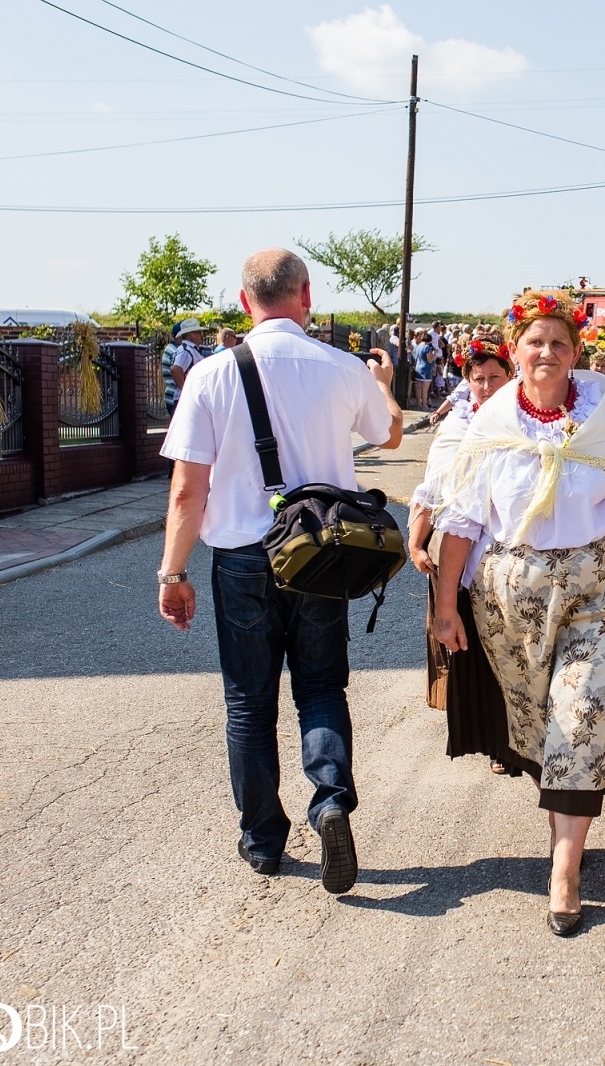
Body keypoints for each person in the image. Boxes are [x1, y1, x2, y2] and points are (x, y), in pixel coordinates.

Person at [155, 249, 405, 893]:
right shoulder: (343, 368)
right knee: (320, 687)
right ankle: (330, 801)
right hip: (320, 553)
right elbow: (392, 437)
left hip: (241, 554)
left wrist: (172, 572)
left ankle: (263, 839)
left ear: (245, 303)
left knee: (248, 702)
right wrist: (382, 384)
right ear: (306, 295)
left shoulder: (210, 375)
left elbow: (188, 488)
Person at [431, 290, 605, 936]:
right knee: (543, 727)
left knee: (584, 718)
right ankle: (566, 823)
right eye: (535, 342)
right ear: (515, 352)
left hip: (599, 591)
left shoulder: (600, 416)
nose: (546, 353)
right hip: (511, 602)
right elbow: (461, 521)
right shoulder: (492, 423)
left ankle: (564, 870)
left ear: (574, 354)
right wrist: (444, 605)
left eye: (558, 343)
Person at [409, 344, 515, 766]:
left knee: (514, 647)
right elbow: (434, 486)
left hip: (512, 551)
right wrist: (416, 542)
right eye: (479, 379)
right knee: (477, 647)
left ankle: (520, 737)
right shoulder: (457, 424)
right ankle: (494, 739)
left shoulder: (526, 419)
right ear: (467, 382)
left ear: (510, 375)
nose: (487, 387)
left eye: (495, 377)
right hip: (463, 550)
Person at [162, 318, 207, 416]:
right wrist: (186, 390)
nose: (201, 335)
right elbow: (175, 369)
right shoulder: (186, 351)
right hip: (186, 400)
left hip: (187, 399)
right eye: (198, 332)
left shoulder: (190, 350)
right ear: (190, 334)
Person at [410, 328, 436, 410]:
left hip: (418, 367)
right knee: (425, 389)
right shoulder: (427, 347)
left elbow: (414, 356)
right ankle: (424, 405)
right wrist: (434, 354)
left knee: (418, 387)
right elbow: (429, 360)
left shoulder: (418, 346)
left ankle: (419, 405)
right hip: (426, 368)